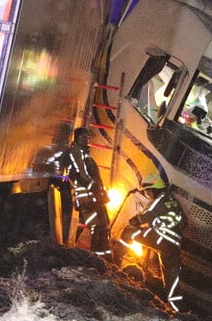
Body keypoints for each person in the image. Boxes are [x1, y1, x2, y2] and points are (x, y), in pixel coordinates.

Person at [120, 173, 186, 310]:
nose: (147, 194)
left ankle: (117, 260)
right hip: (174, 244)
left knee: (129, 232)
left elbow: (144, 217)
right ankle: (176, 307)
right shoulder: (172, 201)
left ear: (153, 189)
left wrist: (134, 221)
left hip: (161, 238)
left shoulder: (158, 201)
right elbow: (184, 221)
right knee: (171, 274)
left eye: (147, 191)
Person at [62, 127, 111, 256]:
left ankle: (103, 255)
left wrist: (100, 192)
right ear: (76, 138)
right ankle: (99, 257)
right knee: (97, 226)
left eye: (88, 137)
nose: (86, 139)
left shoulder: (84, 154)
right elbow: (81, 174)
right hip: (86, 198)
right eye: (83, 137)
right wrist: (95, 189)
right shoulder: (75, 152)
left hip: (93, 196)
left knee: (103, 225)